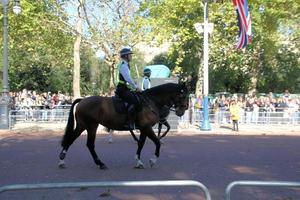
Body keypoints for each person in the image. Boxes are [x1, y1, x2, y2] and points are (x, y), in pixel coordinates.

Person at [115, 48, 142, 129]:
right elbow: (127, 79)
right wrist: (136, 86)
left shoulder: (124, 64)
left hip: (124, 88)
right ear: (126, 56)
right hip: (122, 89)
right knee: (135, 102)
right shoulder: (123, 65)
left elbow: (128, 78)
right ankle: (129, 122)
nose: (131, 56)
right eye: (130, 55)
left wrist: (135, 84)